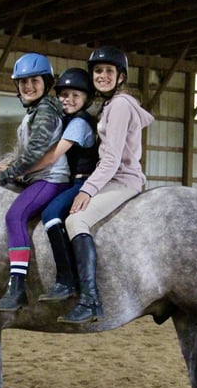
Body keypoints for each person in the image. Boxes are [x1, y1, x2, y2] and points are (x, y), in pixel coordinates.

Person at [58, 46, 155, 324]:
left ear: (120, 77)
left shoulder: (121, 105)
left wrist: (87, 189)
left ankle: (90, 300)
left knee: (76, 221)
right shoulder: (111, 105)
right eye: (98, 71)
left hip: (122, 180)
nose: (102, 76)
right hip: (113, 178)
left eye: (108, 71)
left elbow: (111, 159)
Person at [0, 53, 70, 312]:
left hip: (51, 179)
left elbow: (33, 154)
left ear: (45, 82)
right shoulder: (34, 112)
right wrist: (2, 163)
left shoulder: (45, 111)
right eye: (23, 82)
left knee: (15, 216)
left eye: (34, 80)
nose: (28, 86)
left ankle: (17, 287)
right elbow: (23, 152)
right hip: (37, 178)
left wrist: (3, 175)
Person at [27, 67, 98, 302]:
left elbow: (51, 157)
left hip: (82, 181)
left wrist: (19, 171)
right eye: (64, 95)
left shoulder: (79, 123)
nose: (68, 100)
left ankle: (67, 280)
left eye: (75, 96)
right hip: (68, 181)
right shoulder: (64, 120)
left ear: (86, 100)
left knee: (52, 214)